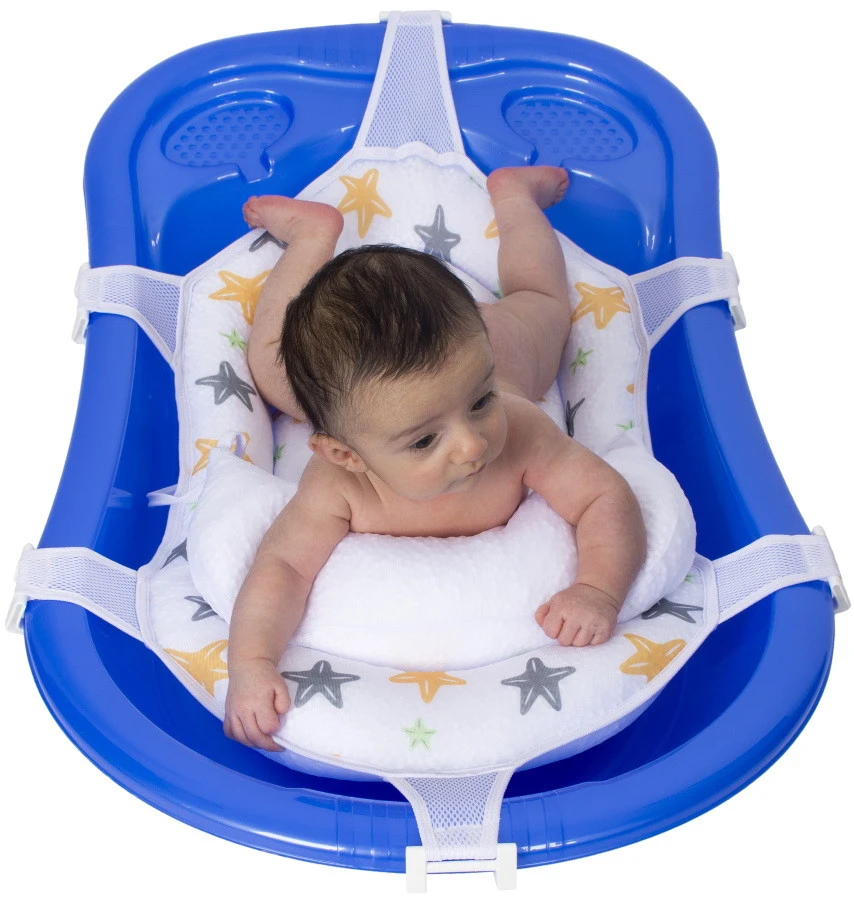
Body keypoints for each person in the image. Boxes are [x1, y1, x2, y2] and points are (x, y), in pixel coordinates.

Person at [224, 166, 646, 751]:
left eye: (480, 402)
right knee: (274, 369)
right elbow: (283, 569)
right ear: (344, 454)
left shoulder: (519, 428)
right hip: (363, 394)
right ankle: (310, 238)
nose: (473, 445)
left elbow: (604, 496)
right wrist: (252, 663)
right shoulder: (336, 485)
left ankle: (514, 198)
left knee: (542, 302)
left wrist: (598, 589)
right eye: (424, 442)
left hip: (506, 346)